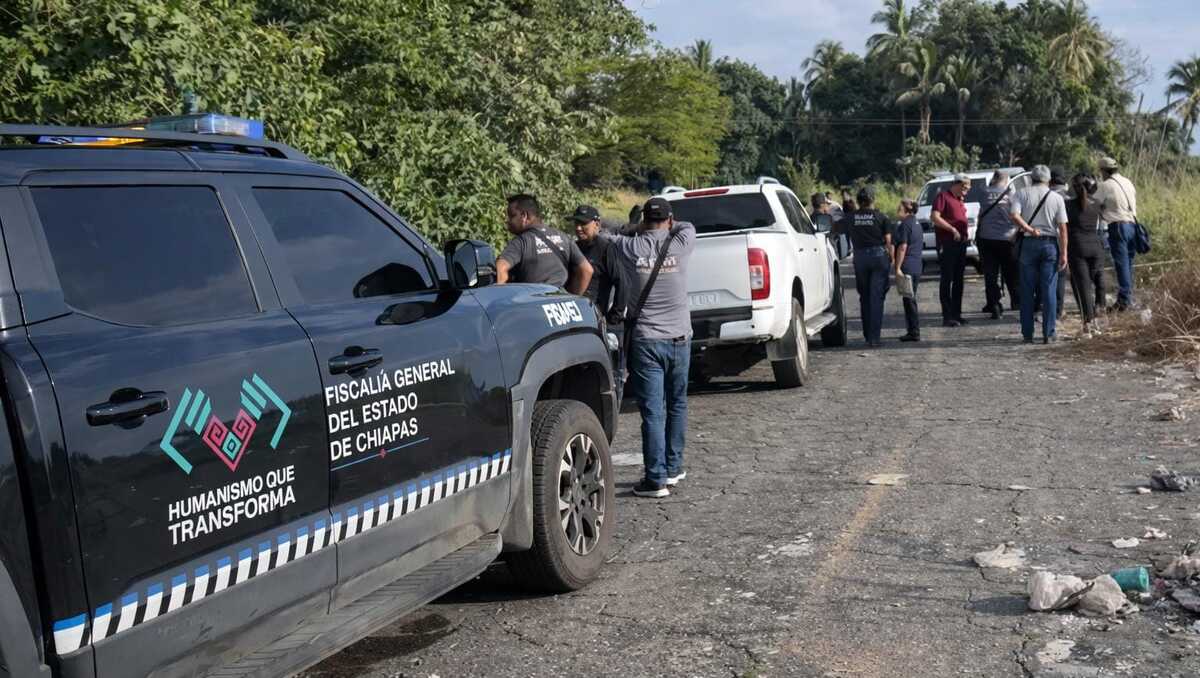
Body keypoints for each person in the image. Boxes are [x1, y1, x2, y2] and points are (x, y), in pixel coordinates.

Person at [602, 197, 696, 499]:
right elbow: (686, 224)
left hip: (646, 340)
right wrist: (659, 224)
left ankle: (655, 479)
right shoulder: (681, 241)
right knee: (677, 403)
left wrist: (636, 227)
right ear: (668, 219)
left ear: (644, 219)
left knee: (653, 411)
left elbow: (604, 232)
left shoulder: (630, 247)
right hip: (680, 337)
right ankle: (673, 466)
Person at [573, 204, 630, 390]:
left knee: (607, 375)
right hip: (575, 321)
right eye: (576, 223)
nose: (578, 228)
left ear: (597, 224)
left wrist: (614, 316)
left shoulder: (606, 248)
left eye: (583, 224)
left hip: (598, 321)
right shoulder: (573, 248)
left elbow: (622, 283)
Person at [1010, 165, 1068, 344]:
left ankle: (1027, 334)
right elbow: (1063, 228)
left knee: (1027, 290)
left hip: (1028, 243)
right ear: (1048, 180)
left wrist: (1028, 228)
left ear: (1031, 178)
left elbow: (1014, 215)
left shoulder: (1021, 193)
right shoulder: (1057, 198)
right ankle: (1048, 332)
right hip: (1050, 244)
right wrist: (1064, 253)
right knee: (1049, 290)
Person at [497, 194, 592, 294]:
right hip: (561, 302)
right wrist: (573, 296)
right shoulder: (563, 237)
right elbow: (587, 270)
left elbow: (501, 267)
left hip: (533, 303)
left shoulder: (521, 241)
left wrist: (501, 299)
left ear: (524, 216)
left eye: (511, 216)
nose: (508, 221)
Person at [845, 186, 893, 347]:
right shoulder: (881, 217)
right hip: (879, 257)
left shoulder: (851, 217)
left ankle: (867, 336)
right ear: (872, 200)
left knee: (864, 297)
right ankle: (874, 338)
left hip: (860, 258)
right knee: (876, 298)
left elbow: (837, 229)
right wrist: (891, 259)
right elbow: (888, 241)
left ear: (858, 201)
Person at [1066, 173, 1107, 336]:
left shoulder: (1068, 205)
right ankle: (1097, 318)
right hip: (1096, 248)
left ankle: (1087, 324)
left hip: (1078, 248)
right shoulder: (1097, 204)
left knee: (1082, 287)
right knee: (1094, 282)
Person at [1095, 156, 1138, 311]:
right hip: (1132, 226)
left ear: (1103, 171)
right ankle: (1127, 297)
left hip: (1118, 226)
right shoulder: (1128, 182)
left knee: (1122, 265)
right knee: (1128, 264)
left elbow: (1094, 205)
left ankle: (1124, 302)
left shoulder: (1105, 185)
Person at [975, 170, 1019, 319]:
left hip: (986, 239)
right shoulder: (1011, 196)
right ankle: (1016, 301)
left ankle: (994, 305)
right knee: (1011, 273)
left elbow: (981, 213)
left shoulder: (983, 193)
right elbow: (1016, 216)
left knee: (990, 274)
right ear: (1006, 180)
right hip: (1007, 239)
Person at [931, 173, 971, 327]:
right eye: (964, 188)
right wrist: (952, 229)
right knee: (947, 279)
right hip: (947, 243)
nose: (966, 191)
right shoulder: (943, 197)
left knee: (959, 280)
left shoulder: (959, 200)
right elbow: (935, 217)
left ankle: (957, 313)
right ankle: (947, 315)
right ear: (957, 184)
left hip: (961, 244)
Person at [893, 198, 923, 342]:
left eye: (900, 207)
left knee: (909, 300)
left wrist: (897, 267)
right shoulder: (916, 223)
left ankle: (914, 331)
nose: (897, 209)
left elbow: (902, 247)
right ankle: (912, 330)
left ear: (907, 209)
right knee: (910, 299)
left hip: (908, 267)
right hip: (916, 265)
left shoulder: (905, 224)